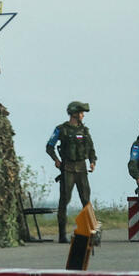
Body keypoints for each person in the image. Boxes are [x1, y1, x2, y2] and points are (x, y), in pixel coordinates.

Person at [46, 101, 97, 243]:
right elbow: (49, 146)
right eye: (80, 113)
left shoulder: (85, 131)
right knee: (64, 201)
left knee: (86, 200)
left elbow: (91, 148)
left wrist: (92, 162)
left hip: (81, 169)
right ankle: (62, 234)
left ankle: (90, 233)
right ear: (74, 113)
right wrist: (56, 160)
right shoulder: (61, 129)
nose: (82, 115)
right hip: (67, 169)